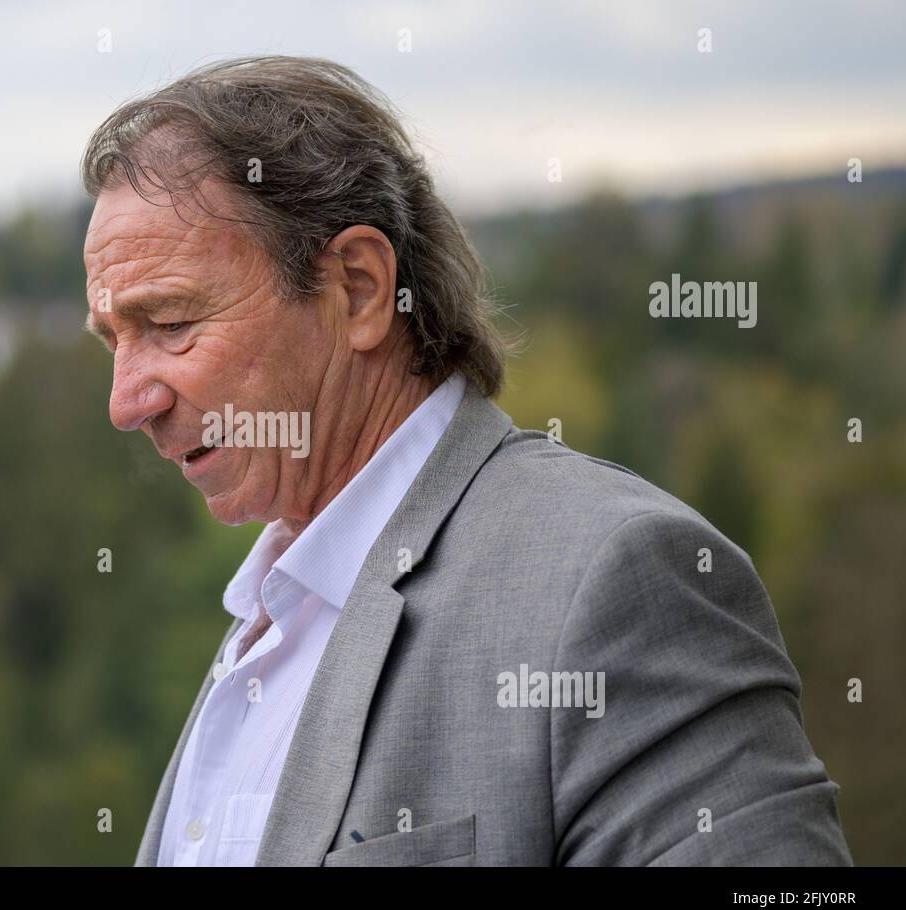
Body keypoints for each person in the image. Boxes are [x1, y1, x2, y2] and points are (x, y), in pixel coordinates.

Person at [79, 56, 852, 866]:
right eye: (113, 343)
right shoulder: (268, 622)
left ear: (361, 288)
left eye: (168, 323)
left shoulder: (615, 578)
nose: (127, 402)